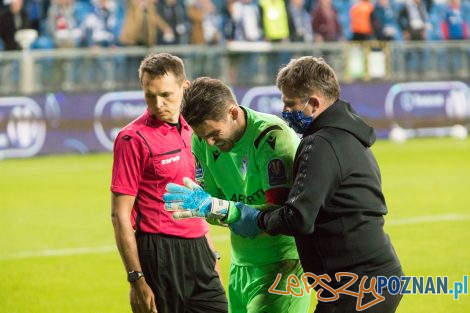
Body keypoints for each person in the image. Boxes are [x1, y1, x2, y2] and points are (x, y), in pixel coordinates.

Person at [168, 57, 404, 312]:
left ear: (314, 103)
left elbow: (295, 217)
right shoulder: (335, 137)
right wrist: (216, 209)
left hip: (350, 279)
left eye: (289, 103)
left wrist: (234, 212)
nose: (284, 110)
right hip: (344, 280)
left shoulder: (315, 144)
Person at [164, 77, 310, 313]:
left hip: (283, 263)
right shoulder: (202, 142)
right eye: (203, 136)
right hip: (241, 264)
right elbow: (214, 209)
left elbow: (280, 214)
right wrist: (208, 208)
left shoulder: (271, 138)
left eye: (214, 133)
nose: (210, 142)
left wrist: (222, 209)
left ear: (232, 112)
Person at [110, 53, 228, 313]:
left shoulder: (195, 132)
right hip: (159, 252)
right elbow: (120, 215)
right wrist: (136, 278)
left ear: (184, 88)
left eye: (166, 95)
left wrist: (212, 254)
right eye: (149, 96)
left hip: (199, 249)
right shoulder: (133, 139)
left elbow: (195, 199)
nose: (158, 103)